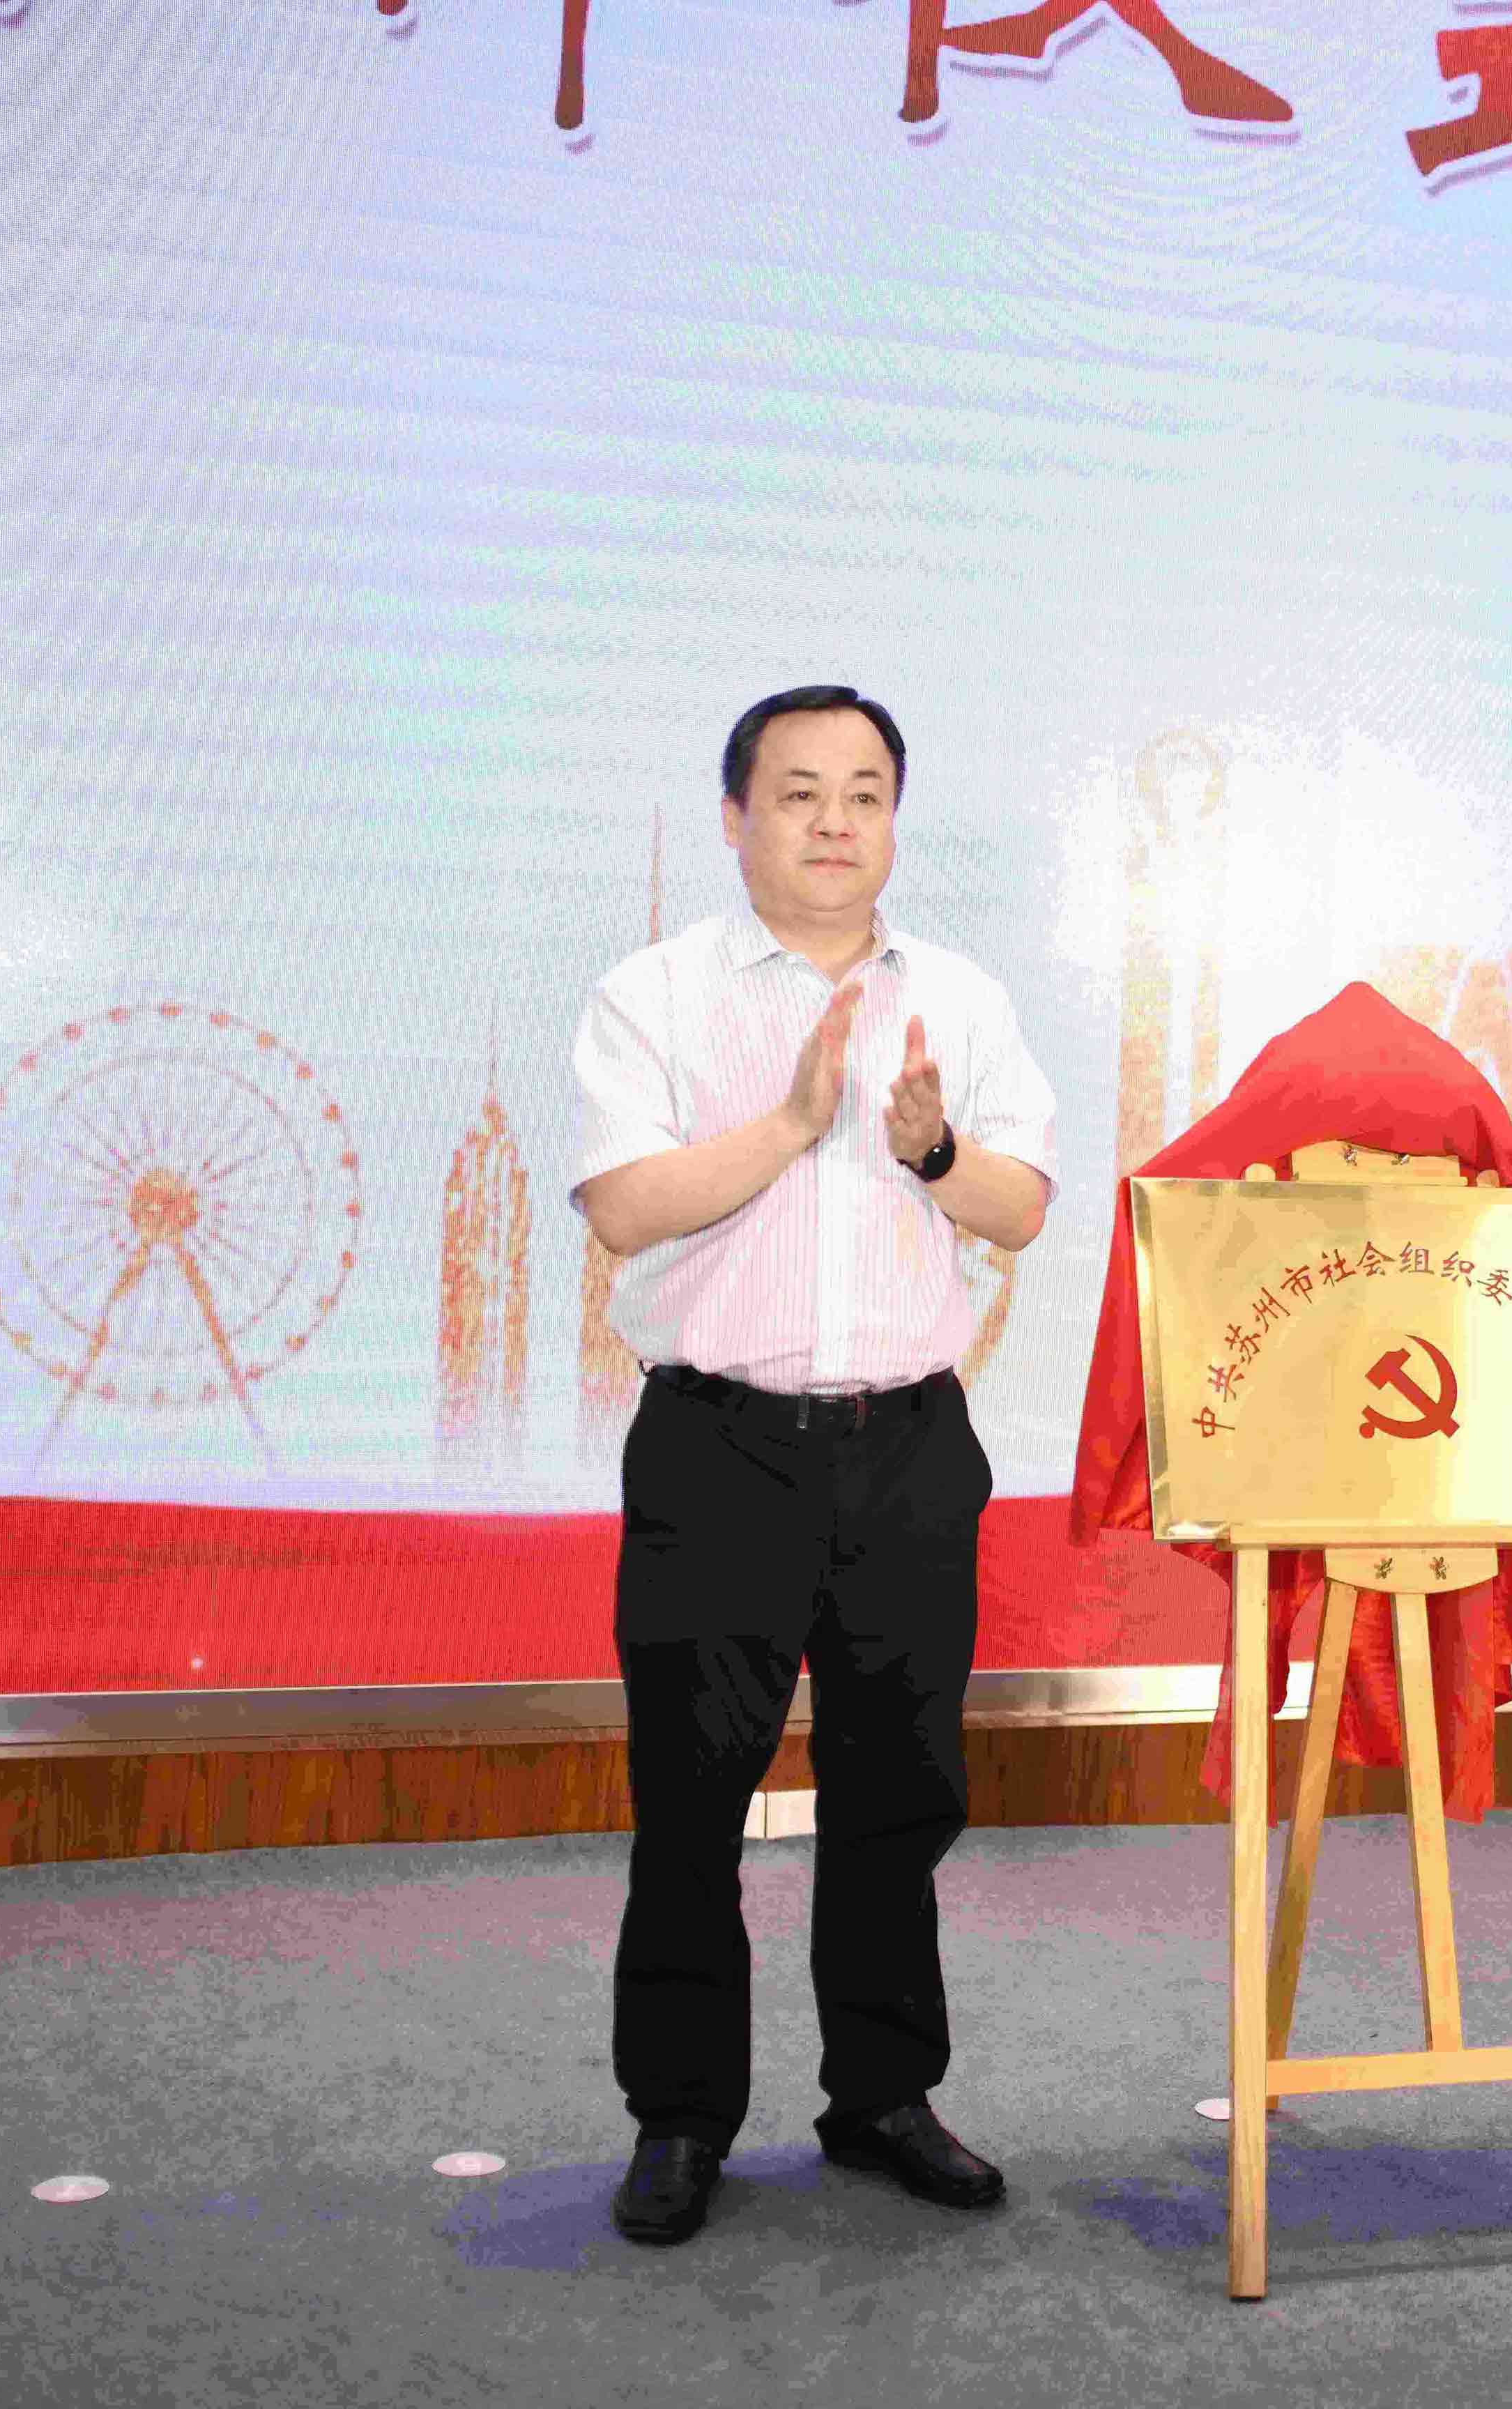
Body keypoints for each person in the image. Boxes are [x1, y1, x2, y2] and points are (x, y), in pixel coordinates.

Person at [570, 684, 1057, 2247]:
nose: (835, 823)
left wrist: (933, 1155)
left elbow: (1021, 1207)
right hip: (719, 1448)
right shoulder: (652, 995)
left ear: (894, 819)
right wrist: (792, 1122)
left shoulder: (960, 997)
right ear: (738, 819)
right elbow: (624, 1209)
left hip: (906, 1446)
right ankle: (681, 2116)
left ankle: (884, 2096)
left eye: (864, 793)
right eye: (799, 794)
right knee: (691, 1797)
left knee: (900, 1794)